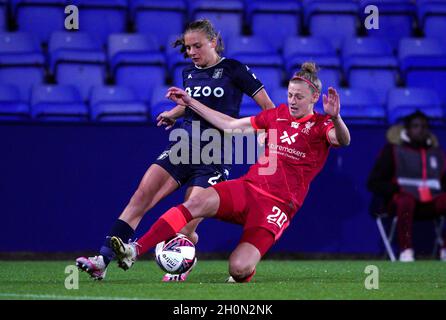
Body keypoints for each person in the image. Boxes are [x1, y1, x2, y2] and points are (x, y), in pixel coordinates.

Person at [109, 62, 351, 282]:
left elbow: (343, 140)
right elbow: (230, 125)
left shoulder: (322, 125)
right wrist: (190, 102)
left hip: (277, 205)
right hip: (248, 188)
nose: (293, 101)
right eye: (290, 95)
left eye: (299, 97)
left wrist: (337, 117)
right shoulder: (276, 115)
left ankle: (242, 272)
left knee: (238, 268)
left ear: (315, 97)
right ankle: (135, 250)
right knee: (196, 203)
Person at [75, 19, 275, 281]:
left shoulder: (234, 69)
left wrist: (266, 132)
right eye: (188, 47)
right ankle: (102, 260)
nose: (191, 52)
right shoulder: (189, 73)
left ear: (213, 42)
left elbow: (269, 107)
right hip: (182, 147)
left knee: (188, 220)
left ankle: (182, 262)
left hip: (214, 155)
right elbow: (194, 104)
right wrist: (173, 113)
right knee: (141, 196)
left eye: (197, 46)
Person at [367, 110, 446, 262]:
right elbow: (374, 182)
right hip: (402, 202)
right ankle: (406, 251)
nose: (420, 130)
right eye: (415, 126)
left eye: (424, 126)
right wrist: (396, 190)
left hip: (432, 202)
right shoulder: (393, 151)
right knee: (405, 201)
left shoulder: (437, 153)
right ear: (407, 130)